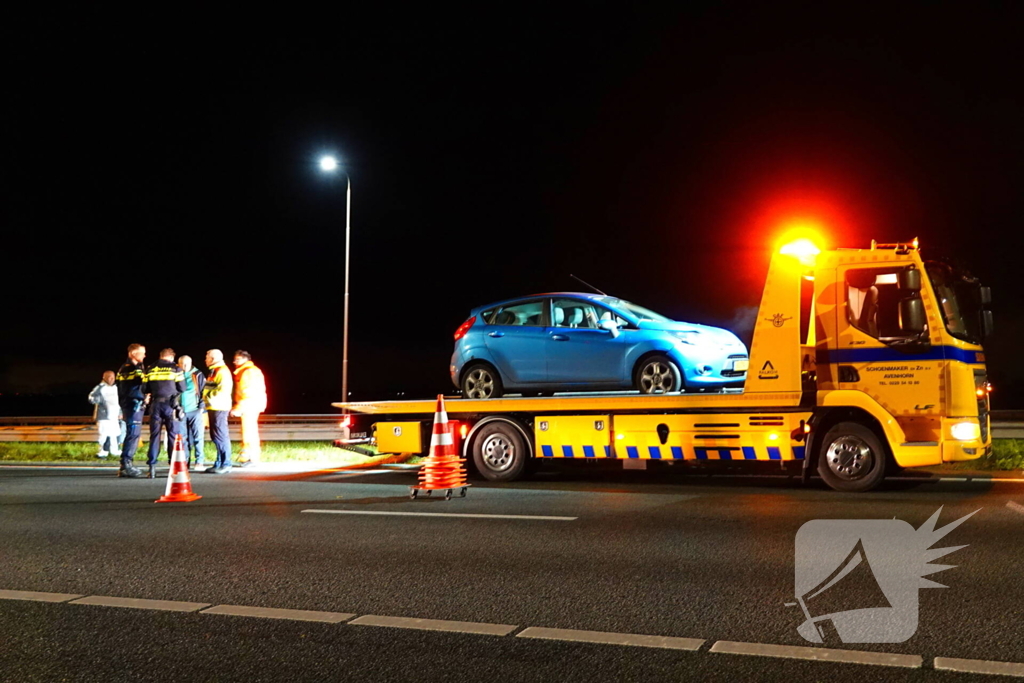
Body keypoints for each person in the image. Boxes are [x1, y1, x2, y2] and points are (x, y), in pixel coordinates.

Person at [143, 348, 186, 479]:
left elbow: (144, 388)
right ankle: (173, 466)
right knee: (173, 436)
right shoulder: (176, 369)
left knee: (154, 436)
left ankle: (152, 467)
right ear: (172, 357)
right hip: (170, 405)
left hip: (155, 405)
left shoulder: (150, 368)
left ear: (161, 356)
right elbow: (182, 388)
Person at [115, 343, 147, 478]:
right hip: (133, 405)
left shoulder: (128, 368)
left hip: (131, 404)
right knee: (133, 434)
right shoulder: (131, 368)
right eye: (142, 352)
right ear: (134, 354)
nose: (145, 355)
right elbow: (141, 384)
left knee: (133, 434)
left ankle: (127, 463)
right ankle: (126, 465)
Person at [230, 350, 267, 467]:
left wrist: (238, 407)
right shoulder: (250, 371)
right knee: (248, 431)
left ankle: (251, 458)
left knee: (249, 432)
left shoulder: (248, 372)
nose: (235, 362)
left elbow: (248, 392)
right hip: (252, 404)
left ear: (246, 359)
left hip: (250, 405)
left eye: (238, 359)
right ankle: (248, 457)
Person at [202, 349, 234, 474]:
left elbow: (222, 390)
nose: (205, 360)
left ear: (213, 359)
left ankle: (226, 463)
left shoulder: (222, 371)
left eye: (207, 357)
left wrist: (208, 397)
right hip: (213, 407)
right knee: (216, 436)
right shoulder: (214, 370)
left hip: (219, 407)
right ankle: (220, 462)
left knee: (220, 435)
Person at [177, 354, 207, 471]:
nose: (184, 366)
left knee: (198, 437)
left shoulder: (197, 374)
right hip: (181, 411)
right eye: (182, 364)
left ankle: (199, 461)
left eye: (187, 364)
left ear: (191, 363)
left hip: (195, 410)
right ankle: (185, 461)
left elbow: (204, 391)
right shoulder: (177, 373)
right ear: (178, 364)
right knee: (183, 437)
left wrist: (201, 407)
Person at [87, 371, 121, 458]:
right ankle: (102, 452)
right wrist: (101, 400)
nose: (112, 379)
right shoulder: (100, 387)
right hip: (104, 416)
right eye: (110, 377)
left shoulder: (115, 388)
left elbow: (117, 402)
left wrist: (120, 412)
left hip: (114, 416)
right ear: (104, 377)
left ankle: (114, 451)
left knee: (114, 434)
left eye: (113, 377)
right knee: (103, 434)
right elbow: (91, 397)